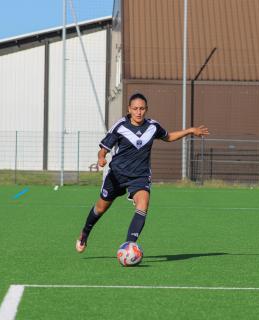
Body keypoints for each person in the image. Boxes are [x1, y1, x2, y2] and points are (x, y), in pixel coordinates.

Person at [76, 93, 209, 253]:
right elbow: (103, 150)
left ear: (146, 109)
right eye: (135, 109)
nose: (138, 112)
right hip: (117, 175)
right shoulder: (120, 126)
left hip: (140, 176)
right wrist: (101, 158)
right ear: (129, 109)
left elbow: (168, 137)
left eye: (142, 109)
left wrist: (190, 130)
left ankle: (129, 246)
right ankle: (85, 232)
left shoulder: (153, 126)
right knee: (101, 208)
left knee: (143, 204)